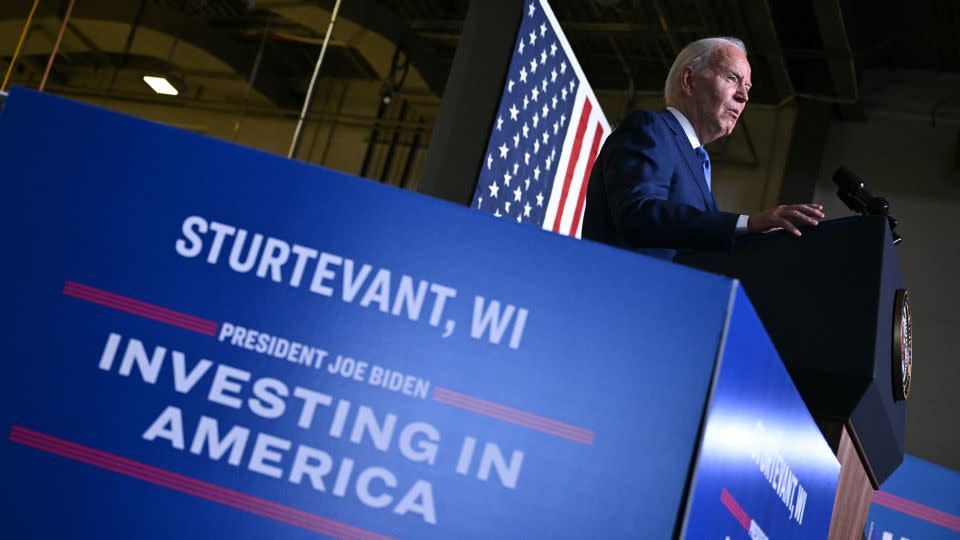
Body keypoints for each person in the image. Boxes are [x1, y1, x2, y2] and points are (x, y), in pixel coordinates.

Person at [581, 37, 824, 260]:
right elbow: (638, 215)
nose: (744, 96)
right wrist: (747, 223)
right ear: (689, 81)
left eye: (747, 87)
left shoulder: (698, 161)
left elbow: (697, 244)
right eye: (732, 78)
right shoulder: (650, 129)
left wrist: (758, 240)